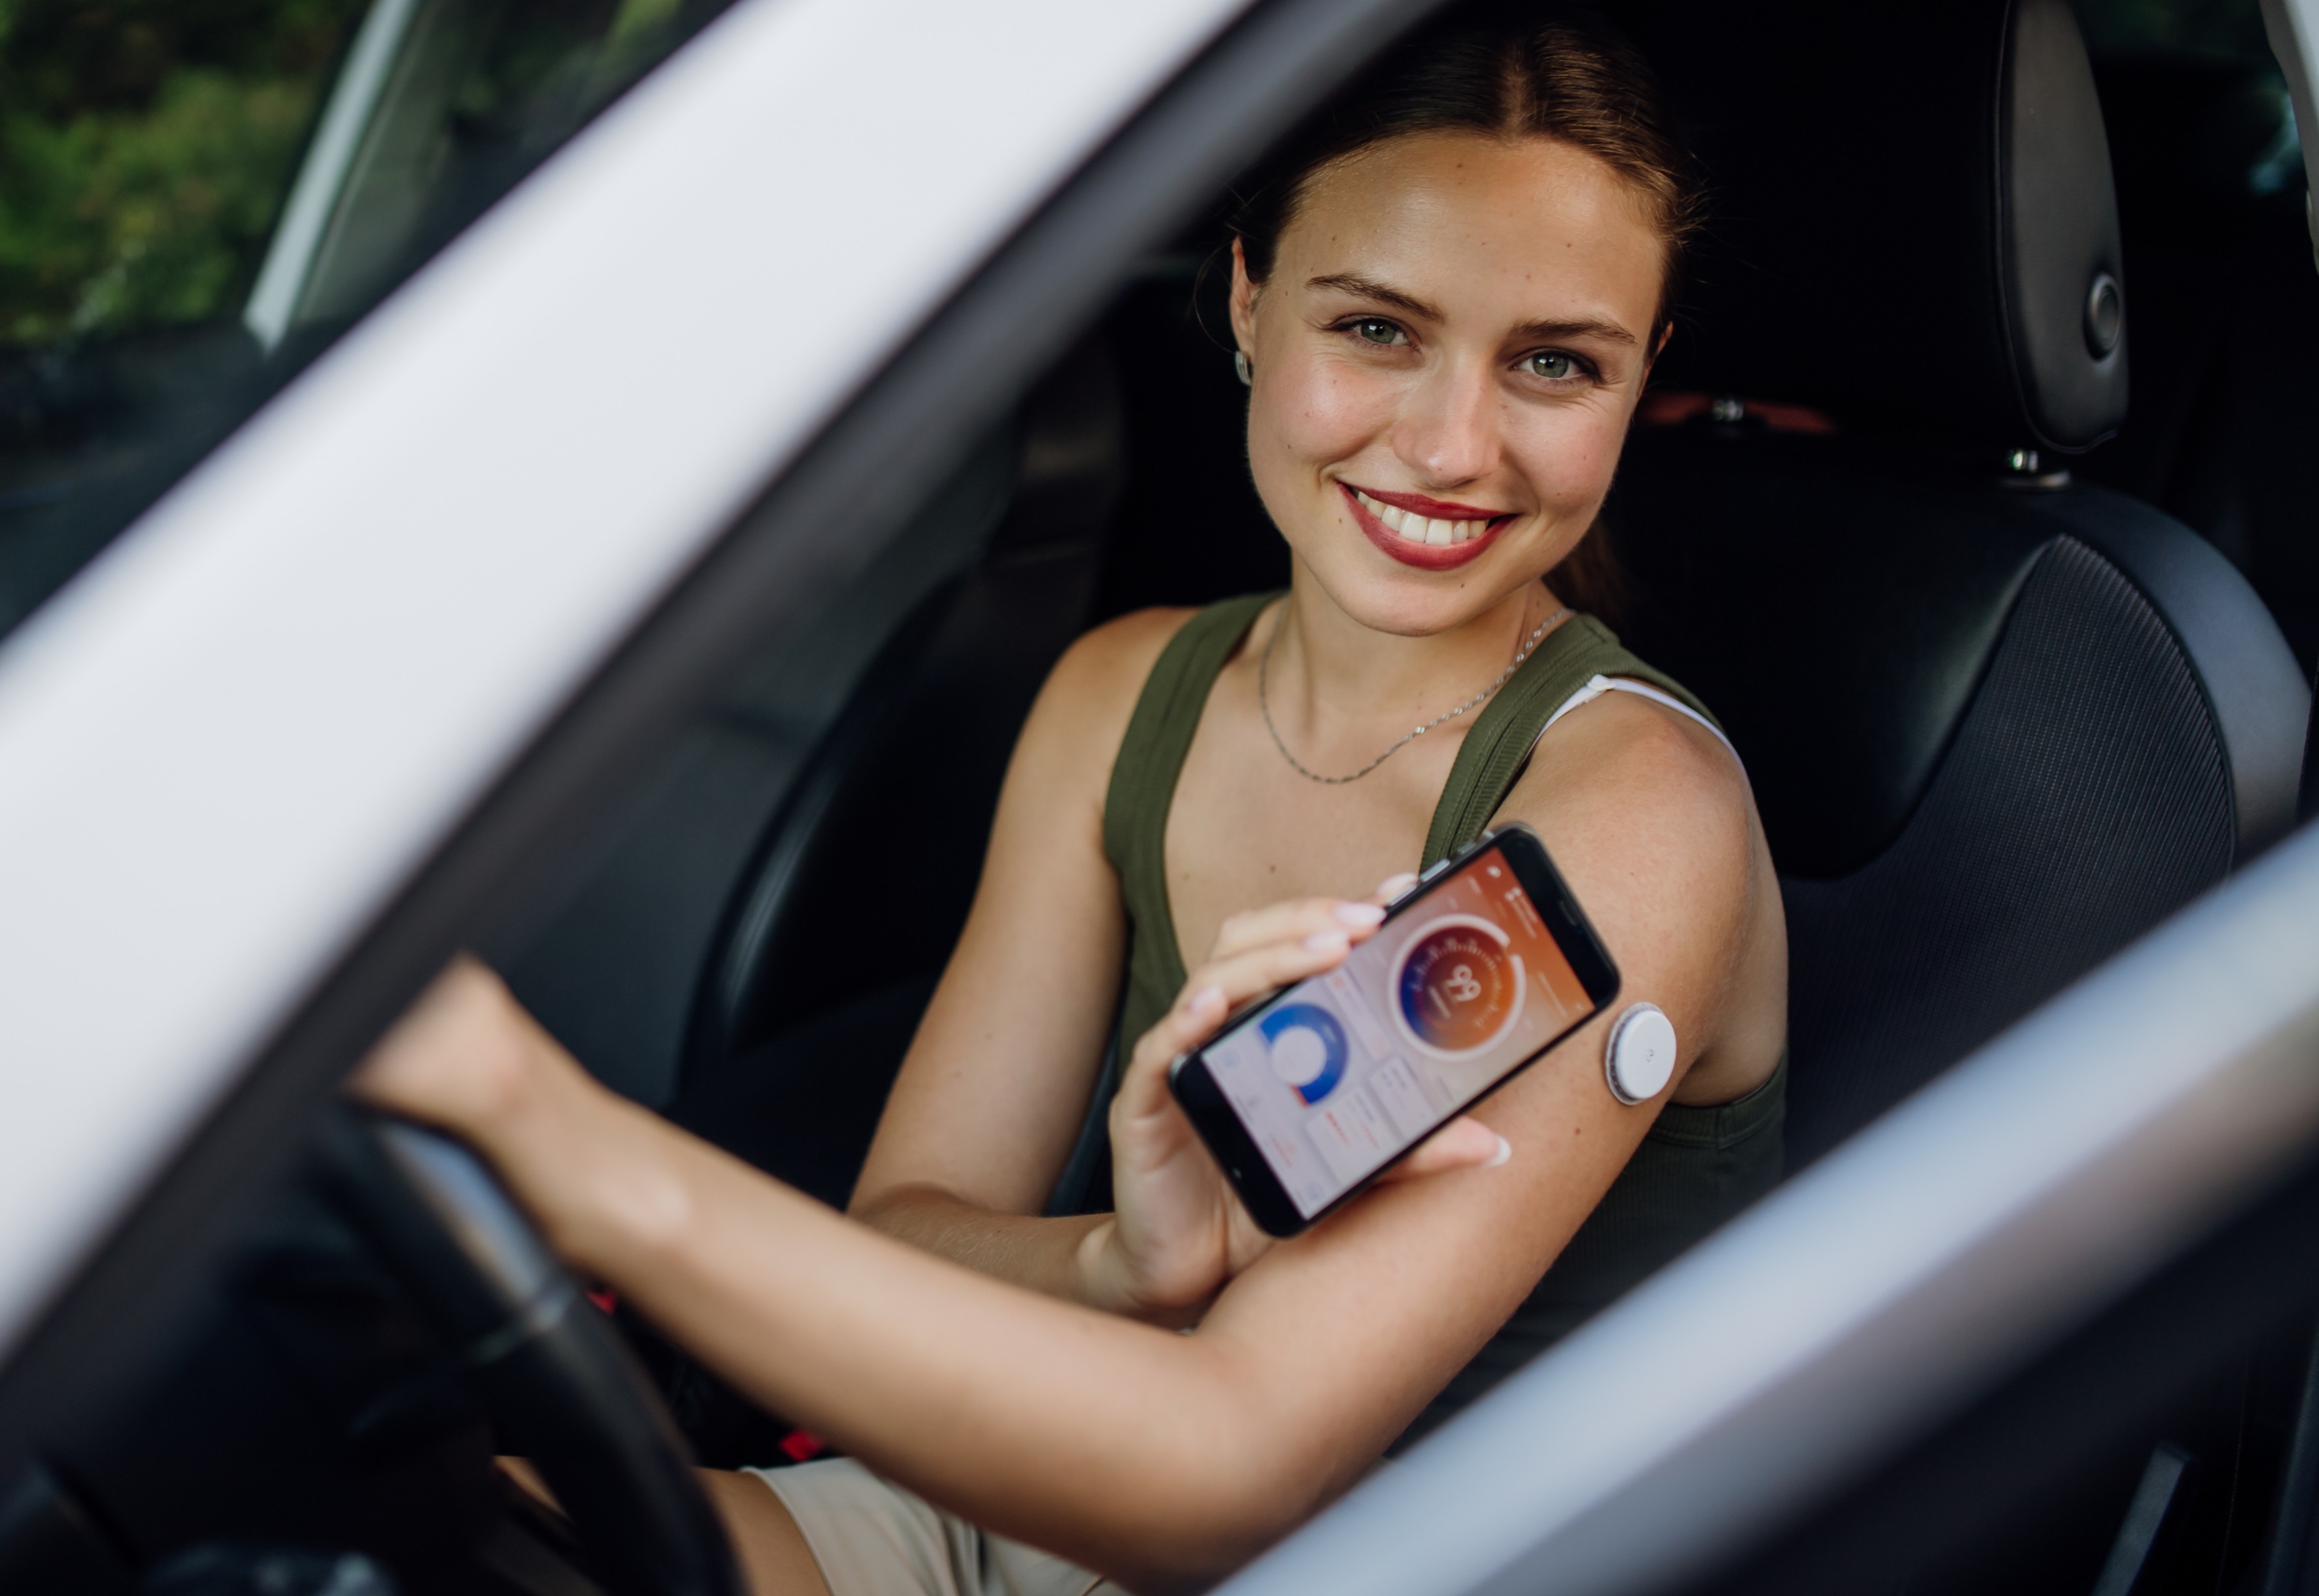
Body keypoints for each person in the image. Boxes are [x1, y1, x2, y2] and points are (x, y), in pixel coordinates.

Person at [353, 7, 1789, 1593]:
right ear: (1246, 297)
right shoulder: (1121, 697)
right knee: (430, 1532)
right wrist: (1113, 1263)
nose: (1452, 446)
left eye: (1552, 364)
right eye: (1377, 329)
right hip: (1049, 1489)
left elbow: (1231, 1466)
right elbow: (912, 1229)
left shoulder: (1633, 808)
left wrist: (560, 1146)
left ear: (1640, 375)